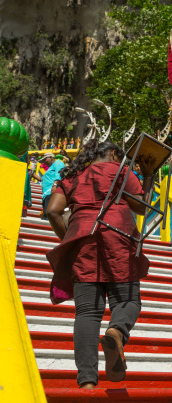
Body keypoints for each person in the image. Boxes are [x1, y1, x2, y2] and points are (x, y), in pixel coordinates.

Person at [46, 140, 156, 390]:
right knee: (128, 301)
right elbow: (141, 207)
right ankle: (116, 331)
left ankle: (86, 381)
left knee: (87, 312)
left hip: (81, 236)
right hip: (118, 234)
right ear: (115, 154)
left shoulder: (72, 175)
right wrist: (147, 177)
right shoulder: (120, 171)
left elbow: (53, 211)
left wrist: (70, 239)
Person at [40, 153, 66, 219]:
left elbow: (59, 173)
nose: (44, 162)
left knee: (50, 215)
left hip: (51, 192)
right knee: (47, 215)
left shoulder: (58, 162)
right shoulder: (49, 169)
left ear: (51, 157)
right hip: (46, 194)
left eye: (45, 159)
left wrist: (55, 185)